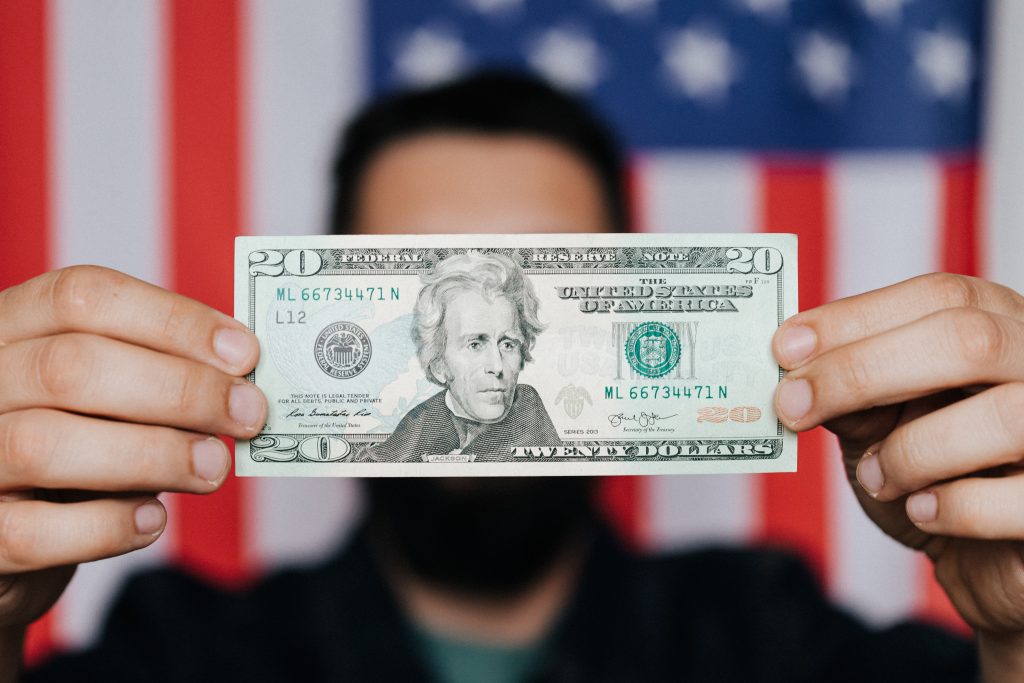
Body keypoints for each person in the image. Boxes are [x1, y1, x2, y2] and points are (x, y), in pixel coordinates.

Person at [3, 71, 1023, 681]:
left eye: (530, 301)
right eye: (430, 295)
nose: (488, 349)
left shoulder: (775, 638)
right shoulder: (181, 653)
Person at [366, 251, 561, 463]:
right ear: (439, 364)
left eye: (507, 344)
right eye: (475, 345)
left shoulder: (529, 415)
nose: (496, 366)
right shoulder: (418, 426)